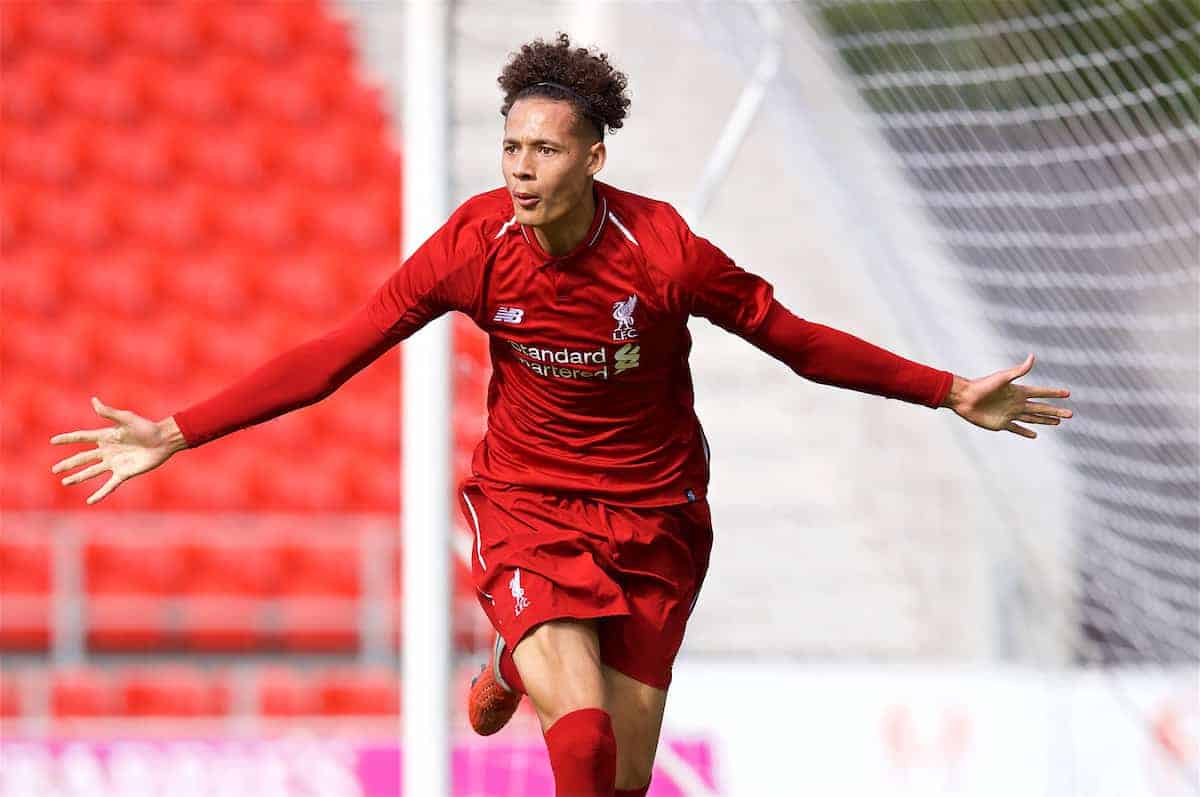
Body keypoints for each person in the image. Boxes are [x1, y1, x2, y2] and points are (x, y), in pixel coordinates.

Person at [50, 32, 1073, 797]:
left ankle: (505, 659)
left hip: (657, 521)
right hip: (530, 506)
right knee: (575, 741)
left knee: (618, 777)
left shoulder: (665, 252)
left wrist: (947, 389)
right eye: (510, 147)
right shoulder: (472, 243)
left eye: (545, 149)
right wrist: (176, 429)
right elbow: (337, 351)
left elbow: (795, 341)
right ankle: (519, 639)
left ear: (593, 157)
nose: (521, 167)